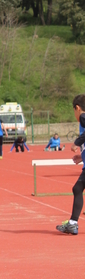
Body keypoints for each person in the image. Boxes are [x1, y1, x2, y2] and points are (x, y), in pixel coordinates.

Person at [57, 94, 85, 234]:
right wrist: (82, 156)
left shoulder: (83, 117)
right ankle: (73, 223)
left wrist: (76, 143)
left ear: (77, 108)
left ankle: (73, 224)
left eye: (74, 111)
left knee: (77, 189)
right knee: (77, 189)